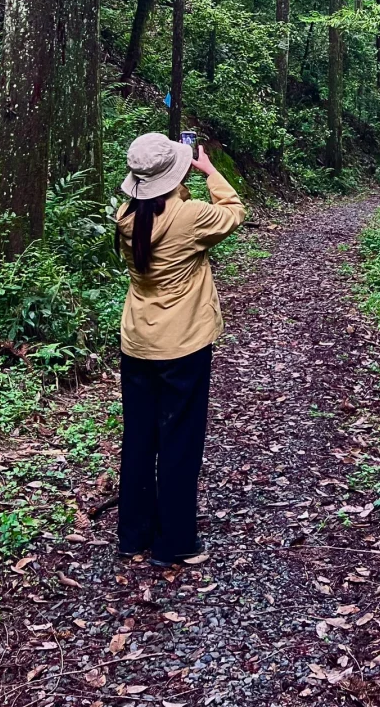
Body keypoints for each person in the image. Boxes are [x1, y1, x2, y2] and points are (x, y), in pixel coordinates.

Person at [114, 131, 245, 565]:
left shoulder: (125, 216)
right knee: (179, 440)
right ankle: (175, 542)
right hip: (183, 343)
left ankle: (133, 534)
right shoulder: (189, 217)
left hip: (137, 341)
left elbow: (157, 209)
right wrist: (209, 172)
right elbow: (234, 212)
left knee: (138, 438)